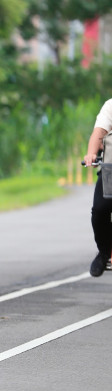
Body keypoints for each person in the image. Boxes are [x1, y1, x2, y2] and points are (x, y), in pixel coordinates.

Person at [83, 99, 112, 277]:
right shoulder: (111, 105)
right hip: (111, 170)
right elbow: (98, 133)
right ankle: (104, 252)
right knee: (100, 210)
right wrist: (92, 153)